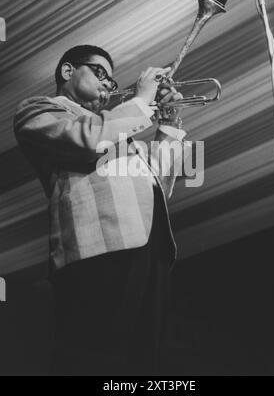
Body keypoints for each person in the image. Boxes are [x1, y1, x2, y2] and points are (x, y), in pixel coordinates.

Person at [14, 45, 190, 376]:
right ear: (68, 72)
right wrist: (139, 101)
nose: (109, 86)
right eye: (101, 74)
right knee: (94, 360)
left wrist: (168, 121)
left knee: (146, 368)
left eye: (112, 81)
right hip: (97, 249)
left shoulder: (119, 131)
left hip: (149, 249)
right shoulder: (39, 110)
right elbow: (88, 140)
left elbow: (162, 182)